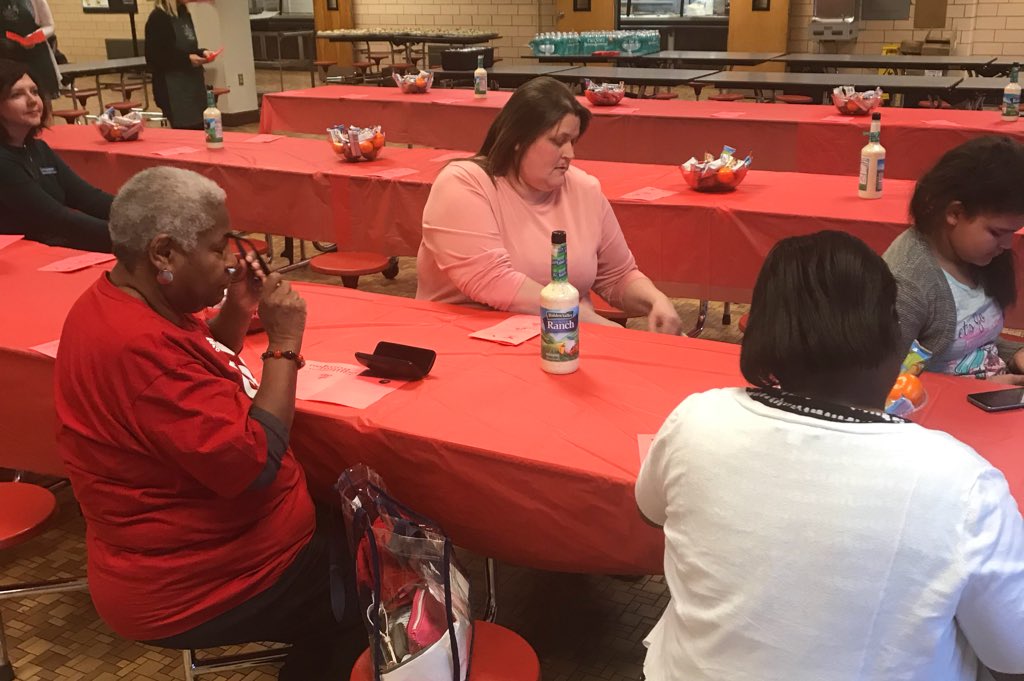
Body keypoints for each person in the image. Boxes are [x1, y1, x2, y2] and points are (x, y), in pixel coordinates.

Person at [636, 231, 1024, 681]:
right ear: (891, 337)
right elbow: (1012, 658)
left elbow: (650, 513)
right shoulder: (963, 484)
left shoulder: (696, 417)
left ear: (758, 333)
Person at [54, 167, 363, 680]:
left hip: (201, 546)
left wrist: (238, 311)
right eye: (219, 250)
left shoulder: (121, 299)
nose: (228, 265)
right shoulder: (136, 347)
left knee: (352, 529)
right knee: (381, 583)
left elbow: (199, 366)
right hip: (197, 580)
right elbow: (255, 463)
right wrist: (285, 344)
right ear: (163, 254)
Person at [416, 76, 682, 334]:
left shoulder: (585, 190)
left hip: (563, 344)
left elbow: (617, 275)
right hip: (462, 343)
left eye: (572, 141)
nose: (570, 154)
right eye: (557, 141)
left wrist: (654, 300)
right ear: (518, 139)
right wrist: (595, 323)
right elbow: (492, 280)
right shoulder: (464, 183)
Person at [884, 135, 1024, 384]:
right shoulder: (907, 285)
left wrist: (1015, 354)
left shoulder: (976, 258)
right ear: (954, 213)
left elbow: (972, 341)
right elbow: (888, 382)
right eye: (997, 233)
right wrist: (977, 390)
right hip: (937, 409)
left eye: (1013, 232)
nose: (1006, 245)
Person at [0, 59, 112, 251]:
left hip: (50, 246)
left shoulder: (38, 148)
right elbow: (56, 219)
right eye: (16, 94)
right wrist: (134, 238)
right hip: (25, 261)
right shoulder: (3, 161)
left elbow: (88, 198)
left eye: (34, 92)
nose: (33, 100)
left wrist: (147, 214)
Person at [145, 0, 214, 129]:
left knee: (204, 130)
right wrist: (187, 59)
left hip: (193, 86)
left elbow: (187, 48)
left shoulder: (184, 14)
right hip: (174, 90)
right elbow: (156, 57)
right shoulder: (158, 18)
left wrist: (202, 52)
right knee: (187, 136)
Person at [0, 0, 59, 99]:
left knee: (42, 96)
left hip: (35, 54)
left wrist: (34, 38)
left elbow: (49, 26)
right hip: (8, 55)